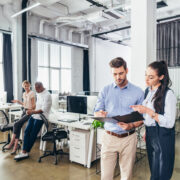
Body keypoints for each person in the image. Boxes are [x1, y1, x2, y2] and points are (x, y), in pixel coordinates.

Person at [94, 57, 144, 180]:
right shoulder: (105, 90)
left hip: (129, 138)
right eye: (115, 74)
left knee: (126, 176)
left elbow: (142, 118)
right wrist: (99, 114)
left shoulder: (138, 92)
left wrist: (131, 125)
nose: (118, 77)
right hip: (109, 137)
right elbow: (96, 112)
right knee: (106, 176)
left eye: (121, 73)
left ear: (127, 70)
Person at [131, 61, 176, 180]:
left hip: (163, 135)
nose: (146, 79)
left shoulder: (168, 94)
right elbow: (149, 118)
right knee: (154, 168)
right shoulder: (147, 91)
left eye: (151, 77)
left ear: (161, 77)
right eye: (146, 75)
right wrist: (147, 129)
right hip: (151, 132)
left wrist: (147, 111)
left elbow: (170, 122)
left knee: (162, 170)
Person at [14, 82, 52, 160]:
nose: (36, 91)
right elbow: (37, 105)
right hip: (34, 115)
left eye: (37, 89)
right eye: (35, 89)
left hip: (41, 117)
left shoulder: (47, 95)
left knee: (33, 134)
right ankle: (24, 151)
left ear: (41, 87)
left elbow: (43, 110)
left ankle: (25, 152)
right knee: (27, 131)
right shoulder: (39, 93)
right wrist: (31, 110)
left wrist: (32, 112)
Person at [5, 80, 36, 154]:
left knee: (16, 124)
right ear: (23, 86)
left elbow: (34, 106)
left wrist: (30, 111)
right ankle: (15, 147)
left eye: (27, 85)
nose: (26, 87)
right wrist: (18, 101)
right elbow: (25, 104)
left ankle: (11, 144)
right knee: (18, 125)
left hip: (29, 112)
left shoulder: (32, 93)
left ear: (30, 86)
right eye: (25, 86)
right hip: (24, 111)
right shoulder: (24, 93)